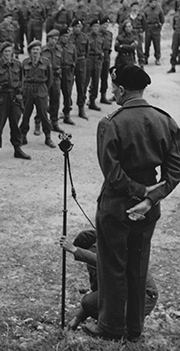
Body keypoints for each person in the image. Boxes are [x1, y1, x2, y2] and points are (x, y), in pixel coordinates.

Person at [84, 65, 180, 342]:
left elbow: (112, 175)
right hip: (148, 210)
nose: (112, 91)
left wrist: (137, 193)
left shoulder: (111, 123)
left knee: (112, 267)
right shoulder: (165, 120)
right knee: (138, 267)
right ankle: (134, 329)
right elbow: (174, 172)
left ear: (123, 90)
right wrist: (150, 199)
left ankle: (110, 328)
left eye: (114, 88)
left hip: (116, 206)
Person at [59, 229, 158, 331]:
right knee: (95, 300)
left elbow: (98, 293)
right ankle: (124, 323)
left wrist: (75, 250)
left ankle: (115, 329)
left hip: (141, 299)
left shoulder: (99, 255)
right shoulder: (116, 246)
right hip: (146, 296)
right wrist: (77, 318)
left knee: (88, 302)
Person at [0, 42, 30, 166]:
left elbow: (22, 80)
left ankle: (17, 149)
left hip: (15, 98)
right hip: (2, 98)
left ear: (12, 52)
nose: (7, 54)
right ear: (1, 53)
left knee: (15, 125)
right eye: (5, 51)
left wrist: (20, 93)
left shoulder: (18, 65)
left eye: (9, 51)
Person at [20, 40, 56, 149]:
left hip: (41, 89)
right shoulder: (25, 63)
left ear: (40, 51)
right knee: (26, 114)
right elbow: (21, 78)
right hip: (28, 90)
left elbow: (50, 79)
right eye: (33, 50)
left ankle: (48, 137)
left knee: (44, 115)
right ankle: (23, 136)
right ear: (30, 51)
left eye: (37, 49)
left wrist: (44, 90)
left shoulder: (46, 62)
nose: (35, 52)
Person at [143, 0, 164, 66]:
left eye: (154, 2)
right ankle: (146, 58)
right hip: (148, 28)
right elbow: (144, 19)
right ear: (149, 3)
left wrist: (159, 26)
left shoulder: (159, 9)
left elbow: (162, 19)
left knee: (157, 45)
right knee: (147, 44)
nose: (153, 4)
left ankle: (157, 59)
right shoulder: (146, 9)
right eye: (151, 2)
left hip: (156, 28)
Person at [167, 7, 180, 73]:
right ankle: (173, 67)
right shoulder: (176, 14)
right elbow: (173, 25)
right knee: (174, 49)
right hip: (177, 33)